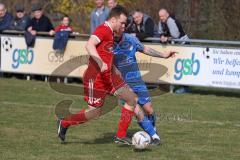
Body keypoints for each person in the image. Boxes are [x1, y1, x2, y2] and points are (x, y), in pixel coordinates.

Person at [57, 6, 156, 145]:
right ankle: (65, 122)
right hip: (96, 78)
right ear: (113, 20)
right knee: (95, 113)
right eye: (122, 23)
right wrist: (99, 62)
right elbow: (89, 45)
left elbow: (107, 55)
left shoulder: (111, 33)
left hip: (109, 76)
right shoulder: (103, 29)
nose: (124, 26)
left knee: (132, 99)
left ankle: (120, 136)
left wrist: (113, 70)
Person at [113, 29, 176, 145]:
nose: (121, 28)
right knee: (137, 111)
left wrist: (163, 55)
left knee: (149, 109)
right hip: (122, 85)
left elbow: (144, 49)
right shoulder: (107, 44)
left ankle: (151, 130)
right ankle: (154, 136)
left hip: (137, 81)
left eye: (123, 25)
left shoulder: (130, 39)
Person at [157, 8, 190, 94]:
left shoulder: (170, 21)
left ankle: (185, 88)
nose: (161, 18)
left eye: (163, 16)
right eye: (160, 16)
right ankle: (170, 86)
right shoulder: (161, 22)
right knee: (172, 66)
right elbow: (160, 31)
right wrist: (161, 36)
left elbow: (176, 35)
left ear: (167, 14)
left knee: (183, 67)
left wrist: (166, 38)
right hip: (174, 45)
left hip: (183, 44)